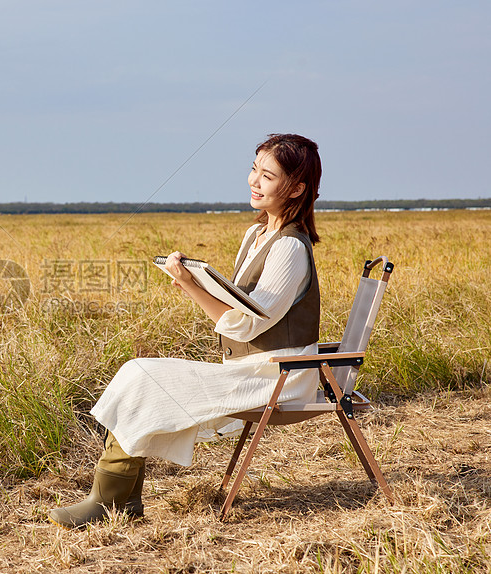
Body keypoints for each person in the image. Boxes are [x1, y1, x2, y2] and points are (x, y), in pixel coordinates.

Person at [48, 133, 323, 529]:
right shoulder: (256, 234)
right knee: (138, 372)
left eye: (268, 175)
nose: (254, 181)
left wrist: (193, 287)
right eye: (253, 169)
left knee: (143, 375)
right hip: (255, 368)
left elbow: (248, 323)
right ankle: (118, 499)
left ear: (296, 188)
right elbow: (241, 305)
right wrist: (199, 282)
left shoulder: (290, 248)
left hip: (279, 375)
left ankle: (109, 499)